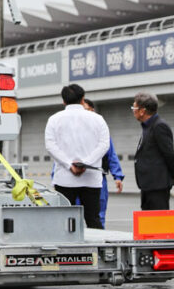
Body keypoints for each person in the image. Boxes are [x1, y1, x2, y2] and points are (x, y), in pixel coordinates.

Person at [45, 83, 111, 229]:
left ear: (63, 101)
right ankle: (98, 251)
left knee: (64, 220)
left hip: (64, 179)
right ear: (83, 99)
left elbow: (50, 145)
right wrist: (86, 163)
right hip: (91, 178)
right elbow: (104, 144)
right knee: (93, 219)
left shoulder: (54, 119)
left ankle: (65, 251)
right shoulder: (98, 119)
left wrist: (69, 165)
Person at [131, 92, 174, 210]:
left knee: (159, 223)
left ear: (142, 111)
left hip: (158, 185)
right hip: (148, 184)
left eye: (134, 107)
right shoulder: (148, 126)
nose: (133, 110)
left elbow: (169, 154)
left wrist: (173, 175)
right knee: (148, 223)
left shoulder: (159, 126)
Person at [81, 98, 125, 227]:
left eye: (87, 110)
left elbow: (111, 154)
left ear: (92, 111)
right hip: (75, 179)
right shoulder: (73, 131)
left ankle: (99, 246)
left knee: (98, 215)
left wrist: (118, 176)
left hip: (98, 178)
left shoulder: (101, 131)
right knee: (74, 217)